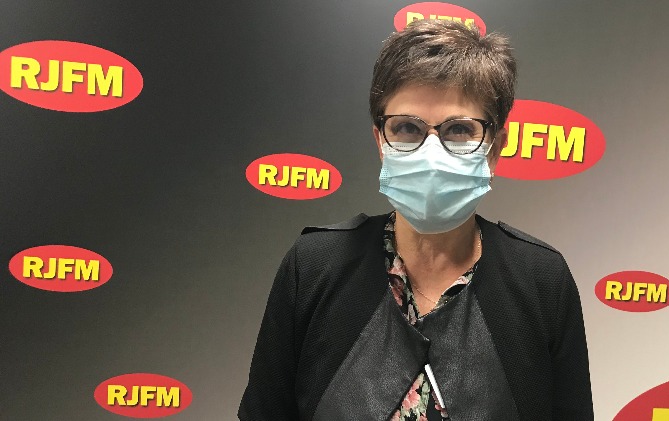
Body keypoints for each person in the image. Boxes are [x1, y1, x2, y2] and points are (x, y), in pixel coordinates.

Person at [239, 19, 594, 421]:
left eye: (459, 129)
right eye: (407, 128)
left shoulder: (542, 281)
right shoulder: (314, 266)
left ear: (495, 149)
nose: (431, 153)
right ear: (381, 141)